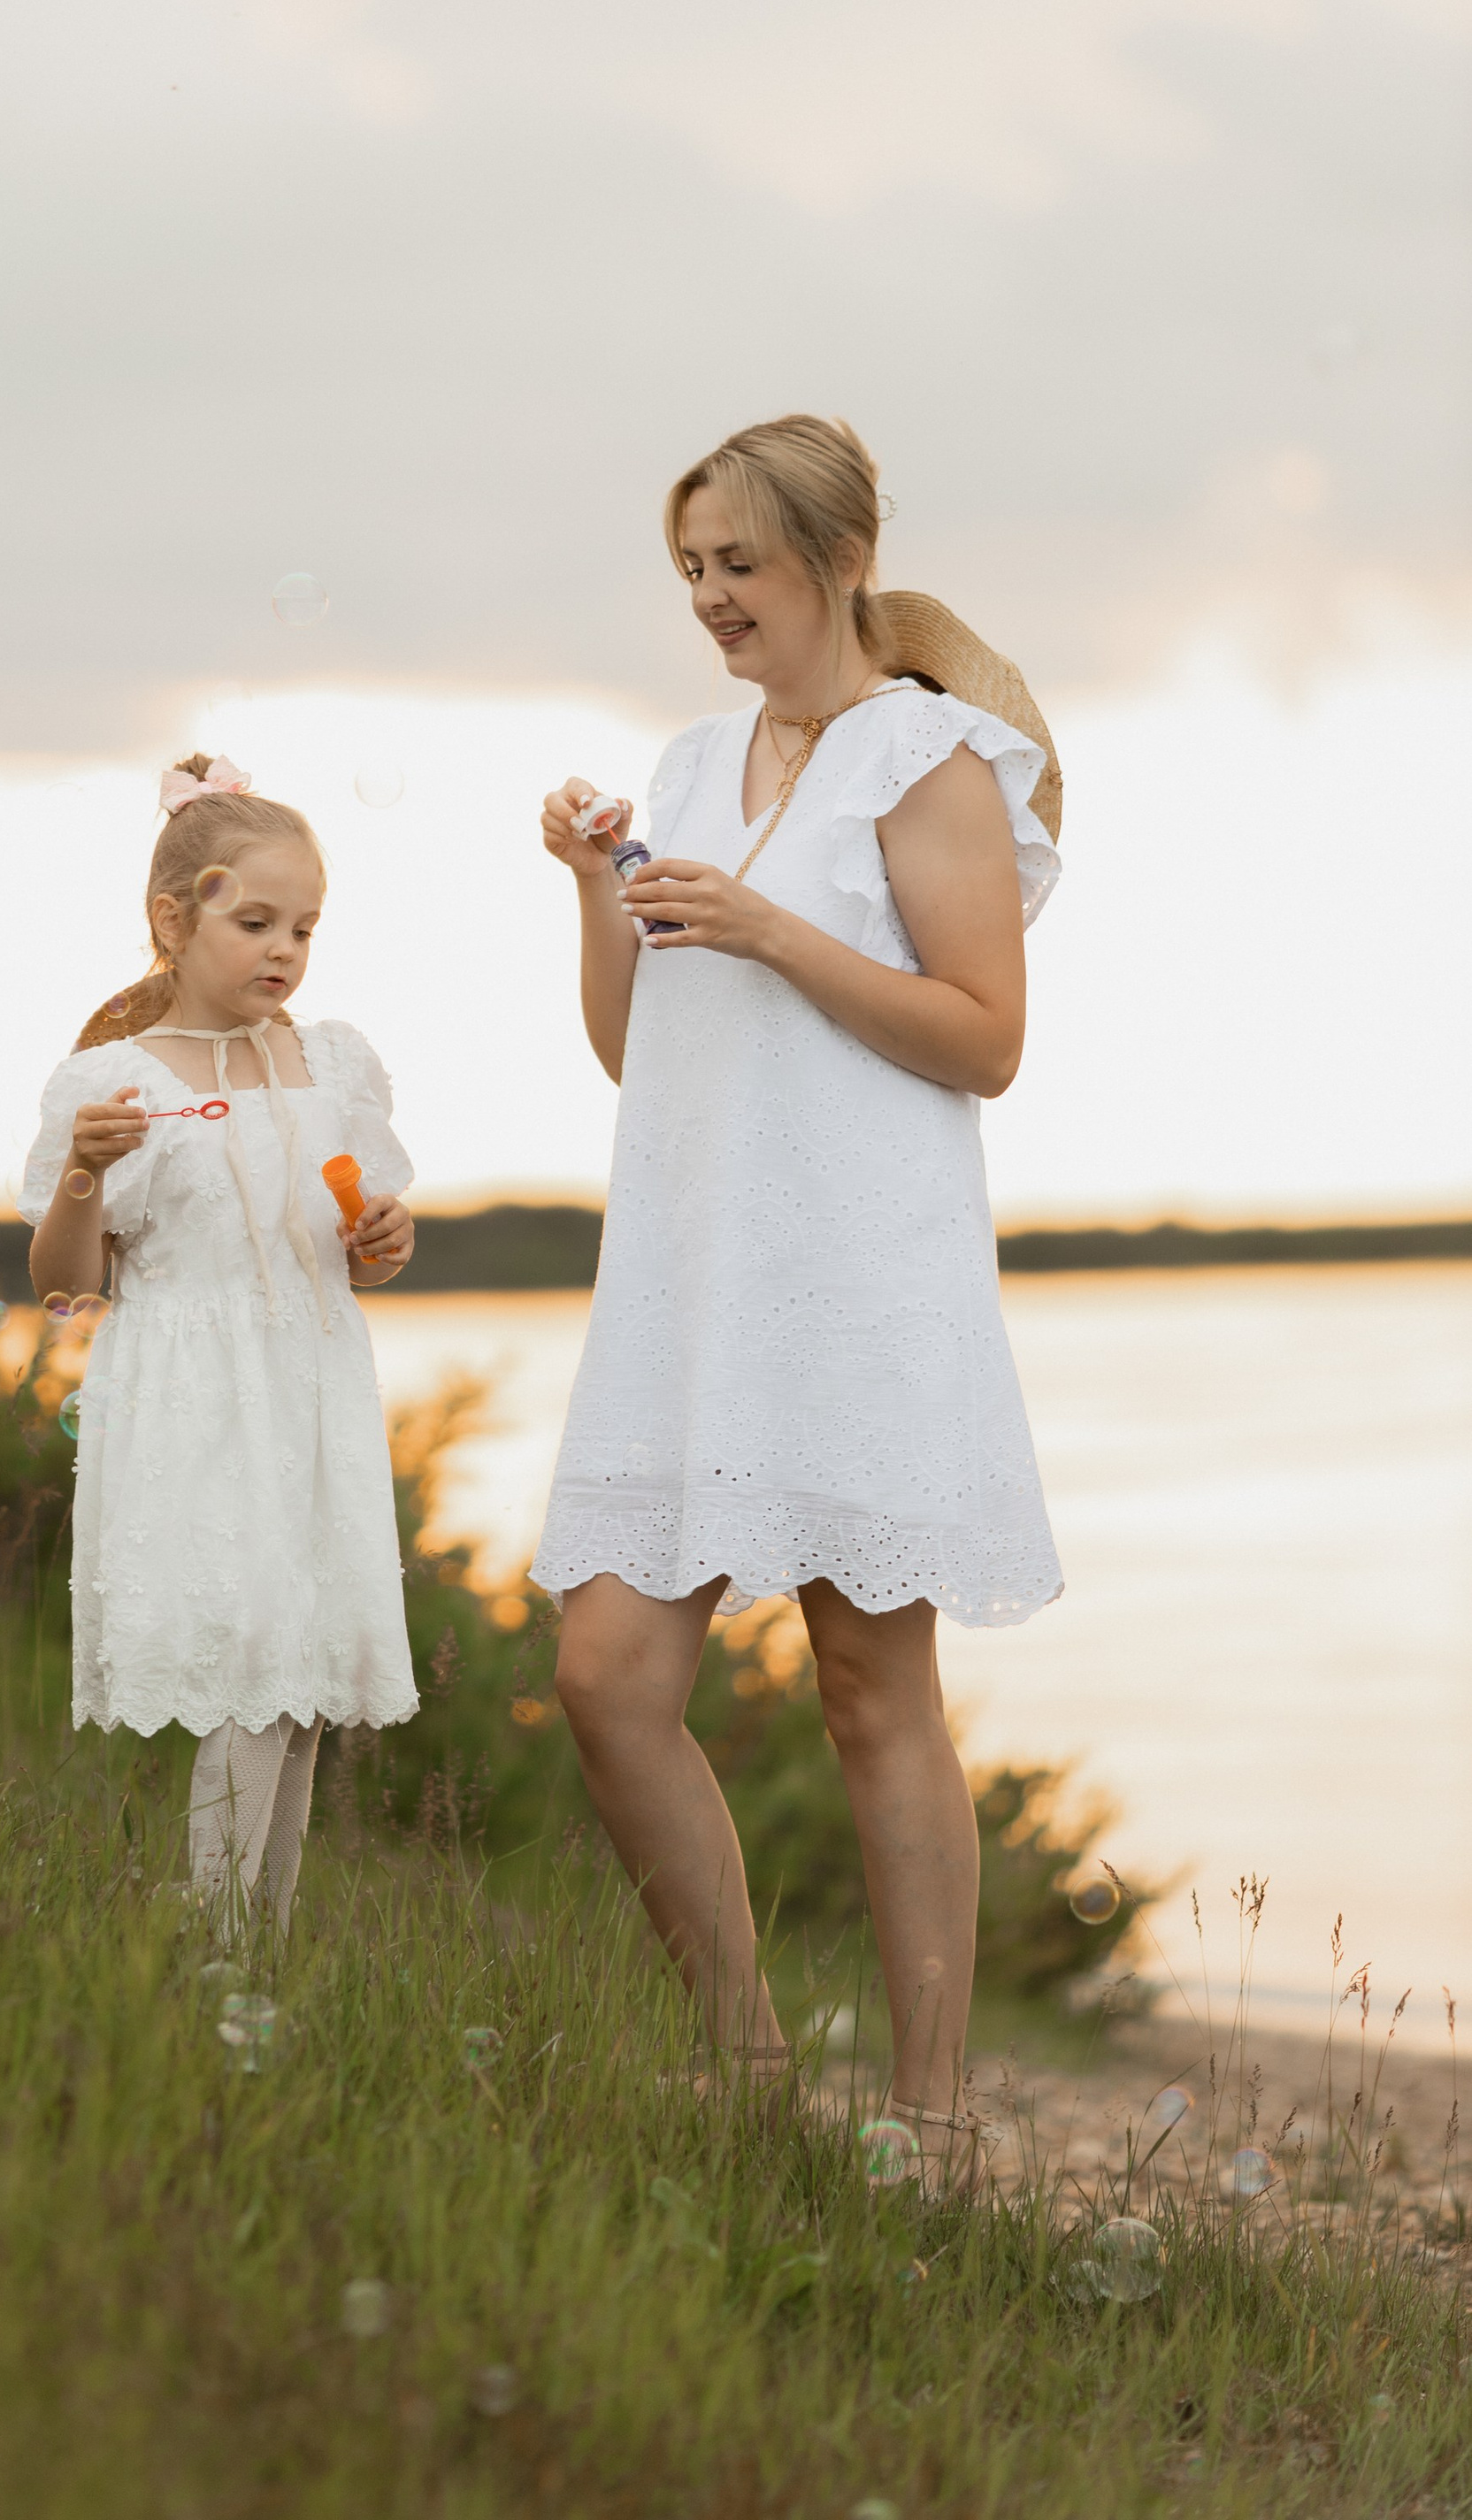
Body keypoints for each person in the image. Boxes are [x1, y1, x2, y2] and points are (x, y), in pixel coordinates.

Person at [533, 415, 1064, 2183]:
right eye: (687, 568)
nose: (705, 598)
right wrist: (597, 898)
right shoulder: (686, 765)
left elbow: (982, 1039)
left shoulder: (923, 761)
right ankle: (747, 2063)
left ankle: (930, 2118)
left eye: (735, 563)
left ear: (835, 561)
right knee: (607, 1672)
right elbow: (636, 1053)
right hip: (691, 1287)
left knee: (863, 1683)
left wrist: (773, 934)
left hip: (856, 1276)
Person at [21, 754, 419, 1936]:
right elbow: (64, 1281)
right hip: (193, 1398)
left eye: (304, 927)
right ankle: (212, 1946)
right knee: (251, 1665)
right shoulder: (112, 1083)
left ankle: (263, 1952)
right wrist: (87, 1173)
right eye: (256, 922)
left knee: (297, 1685)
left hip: (308, 1388)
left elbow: (362, 1243)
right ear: (173, 918)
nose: (285, 950)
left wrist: (387, 1238)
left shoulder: (330, 1064)